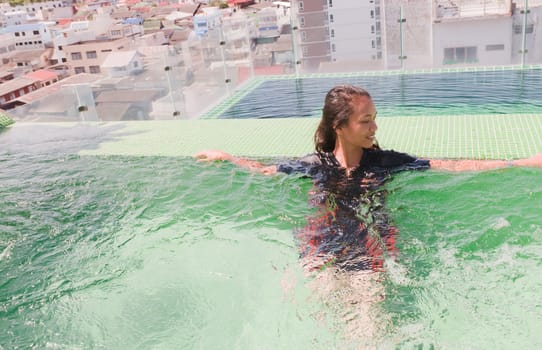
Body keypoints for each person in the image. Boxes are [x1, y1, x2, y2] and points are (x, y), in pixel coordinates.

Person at [195, 84, 542, 271]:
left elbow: (449, 165)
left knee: (368, 321)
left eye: (375, 118)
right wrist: (227, 157)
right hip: (320, 244)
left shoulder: (385, 162)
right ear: (339, 127)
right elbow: (265, 172)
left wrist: (522, 162)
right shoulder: (314, 164)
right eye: (365, 120)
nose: (375, 127)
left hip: (369, 244)